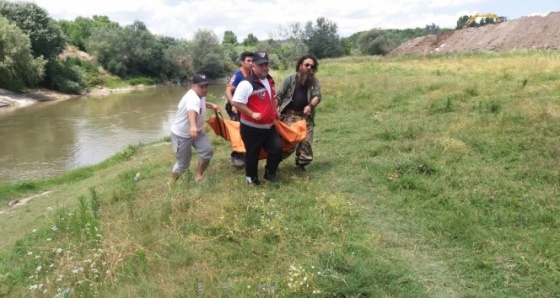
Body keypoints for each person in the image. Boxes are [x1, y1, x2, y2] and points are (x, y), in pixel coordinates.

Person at [232, 51, 282, 185]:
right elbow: (236, 102)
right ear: (253, 66)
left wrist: (274, 111)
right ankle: (252, 180)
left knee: (277, 149)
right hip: (251, 128)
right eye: (261, 65)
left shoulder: (269, 79)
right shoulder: (246, 83)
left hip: (269, 126)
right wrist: (252, 113)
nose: (265, 67)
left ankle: (269, 175)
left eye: (266, 64)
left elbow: (271, 98)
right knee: (252, 155)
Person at [276, 54, 322, 172]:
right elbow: (279, 95)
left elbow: (317, 96)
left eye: (312, 66)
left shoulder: (314, 82)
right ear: (300, 65)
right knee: (288, 143)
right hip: (289, 116)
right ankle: (274, 161)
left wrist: (310, 106)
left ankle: (301, 165)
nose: (309, 68)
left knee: (306, 143)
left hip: (306, 116)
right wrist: (273, 109)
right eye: (307, 65)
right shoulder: (289, 79)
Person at [170, 74, 220, 182]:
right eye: (202, 87)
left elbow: (201, 103)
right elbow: (191, 111)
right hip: (182, 135)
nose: (205, 89)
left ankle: (198, 176)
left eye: (206, 86)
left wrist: (212, 105)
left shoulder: (199, 95)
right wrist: (193, 126)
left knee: (207, 152)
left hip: (197, 132)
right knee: (183, 165)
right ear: (193, 86)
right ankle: (172, 182)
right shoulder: (193, 97)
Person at [224, 51, 253, 168]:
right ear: (242, 62)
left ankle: (246, 154)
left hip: (246, 107)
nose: (251, 63)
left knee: (248, 132)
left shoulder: (253, 74)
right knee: (239, 131)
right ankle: (236, 156)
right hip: (235, 107)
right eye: (248, 61)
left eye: (253, 61)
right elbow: (228, 90)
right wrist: (233, 104)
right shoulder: (238, 75)